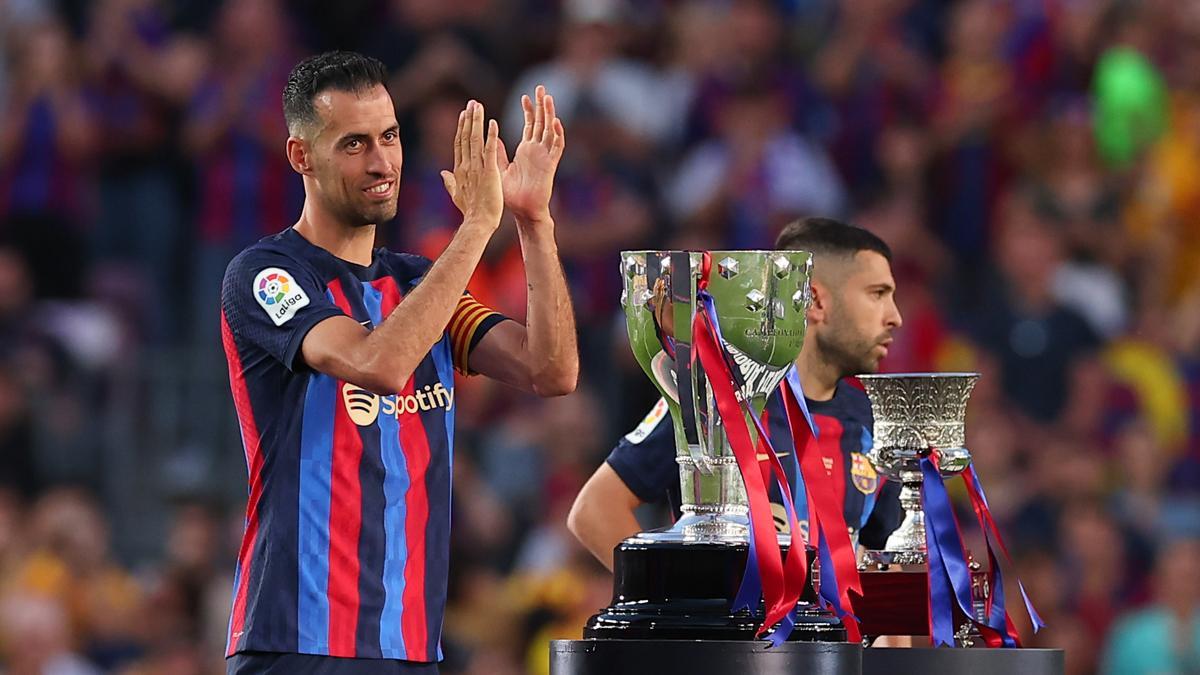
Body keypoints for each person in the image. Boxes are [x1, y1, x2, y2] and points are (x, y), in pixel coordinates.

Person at [219, 51, 578, 673]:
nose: (382, 162)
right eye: (353, 144)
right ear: (301, 156)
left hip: (410, 647)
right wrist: (476, 227)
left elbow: (550, 370)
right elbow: (377, 363)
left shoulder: (418, 284)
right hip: (298, 642)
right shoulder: (266, 273)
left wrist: (532, 221)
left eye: (388, 137)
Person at [568, 217, 903, 570]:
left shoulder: (874, 422)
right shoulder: (717, 399)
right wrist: (680, 607)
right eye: (877, 294)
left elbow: (887, 562)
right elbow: (595, 510)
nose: (894, 317)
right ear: (815, 300)